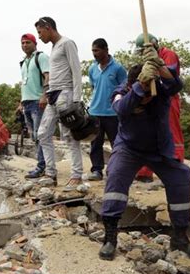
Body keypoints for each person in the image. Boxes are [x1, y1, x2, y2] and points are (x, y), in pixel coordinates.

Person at [99, 48, 190, 261]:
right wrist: (140, 87)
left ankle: (180, 238)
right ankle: (110, 238)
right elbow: (122, 108)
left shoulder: (160, 90)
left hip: (159, 150)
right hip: (129, 148)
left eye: (147, 93)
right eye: (141, 94)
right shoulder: (121, 92)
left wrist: (161, 68)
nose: (145, 99)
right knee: (115, 176)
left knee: (181, 178)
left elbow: (176, 84)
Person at [35, 16, 83, 188]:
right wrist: (47, 92)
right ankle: (51, 174)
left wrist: (77, 99)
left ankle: (77, 175)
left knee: (69, 136)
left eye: (40, 32)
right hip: (53, 96)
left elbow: (76, 71)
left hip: (66, 94)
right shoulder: (55, 47)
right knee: (42, 133)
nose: (39, 37)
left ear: (48, 28)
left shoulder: (67, 43)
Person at [134, 33, 185, 183]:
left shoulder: (168, 55)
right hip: (153, 99)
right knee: (150, 134)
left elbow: (170, 77)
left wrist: (157, 63)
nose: (143, 53)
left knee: (172, 132)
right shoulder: (146, 59)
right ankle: (145, 172)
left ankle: (176, 168)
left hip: (169, 99)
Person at [87, 38, 127, 181]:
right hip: (95, 112)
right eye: (93, 51)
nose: (94, 54)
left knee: (116, 143)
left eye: (97, 50)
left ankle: (117, 170)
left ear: (106, 50)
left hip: (112, 113)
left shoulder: (118, 68)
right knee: (95, 143)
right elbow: (94, 87)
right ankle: (97, 170)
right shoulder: (92, 69)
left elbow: (124, 89)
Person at [19, 33, 50, 179]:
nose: (25, 45)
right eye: (23, 43)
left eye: (27, 43)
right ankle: (41, 164)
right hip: (27, 103)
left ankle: (42, 167)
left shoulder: (41, 57)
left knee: (40, 135)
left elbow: (47, 76)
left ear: (34, 43)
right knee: (34, 136)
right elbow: (25, 83)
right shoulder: (24, 62)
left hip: (38, 102)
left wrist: (44, 95)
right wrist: (21, 102)